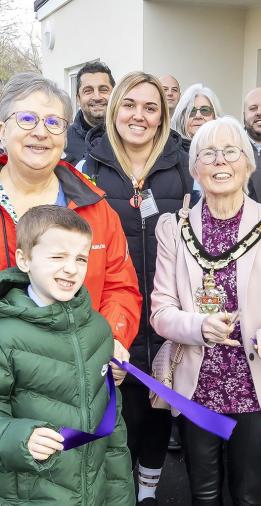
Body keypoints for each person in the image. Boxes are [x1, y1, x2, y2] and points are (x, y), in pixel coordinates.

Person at [151, 116, 261, 505]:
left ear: (248, 163)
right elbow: (161, 311)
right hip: (197, 382)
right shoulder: (175, 227)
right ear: (195, 168)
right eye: (208, 153)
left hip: (256, 383)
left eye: (231, 151)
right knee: (202, 494)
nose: (220, 162)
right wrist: (198, 326)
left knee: (250, 494)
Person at [84, 71, 193, 505]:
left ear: (163, 116)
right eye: (130, 105)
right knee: (121, 410)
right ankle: (120, 488)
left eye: (151, 108)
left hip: (168, 312)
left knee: (158, 407)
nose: (139, 116)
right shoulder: (88, 166)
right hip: (113, 314)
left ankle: (149, 489)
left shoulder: (183, 165)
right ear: (114, 109)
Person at [0, 72, 141, 382]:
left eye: (53, 123)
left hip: (80, 378)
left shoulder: (96, 208)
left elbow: (121, 288)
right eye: (27, 119)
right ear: (2, 129)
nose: (41, 132)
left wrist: (111, 340)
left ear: (64, 136)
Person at [0, 205, 134, 505]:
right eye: (58, 257)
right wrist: (17, 436)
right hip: (28, 496)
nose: (71, 268)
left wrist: (119, 498)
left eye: (81, 259)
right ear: (24, 260)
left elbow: (112, 429)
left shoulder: (99, 329)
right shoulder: (4, 335)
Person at [65, 60, 115, 165]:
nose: (97, 97)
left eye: (103, 89)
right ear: (78, 99)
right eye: (88, 91)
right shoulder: (63, 141)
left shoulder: (127, 137)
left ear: (115, 94)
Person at [170, 83, 223, 153]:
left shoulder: (226, 150)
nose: (198, 116)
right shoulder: (169, 151)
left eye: (205, 110)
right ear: (182, 117)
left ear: (215, 116)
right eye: (191, 111)